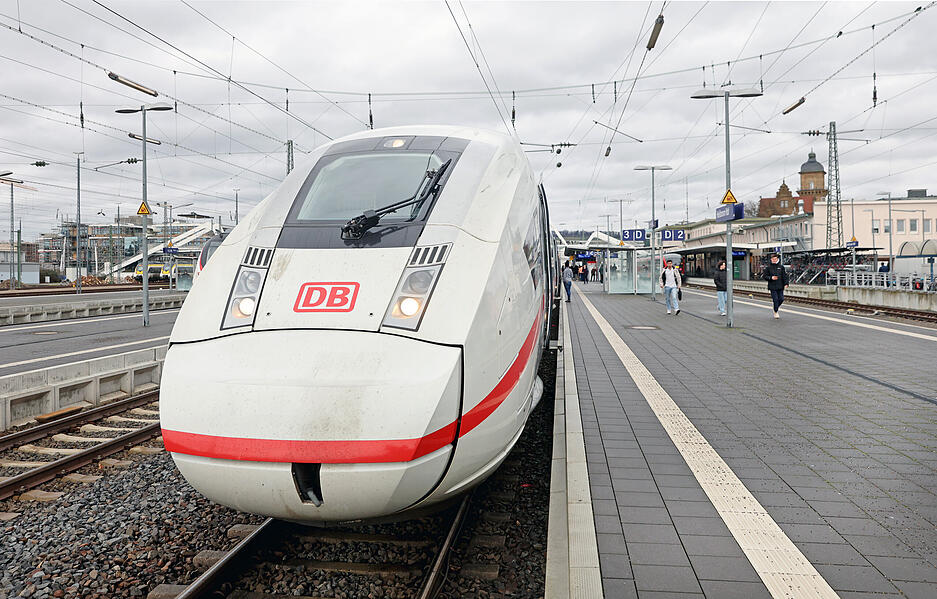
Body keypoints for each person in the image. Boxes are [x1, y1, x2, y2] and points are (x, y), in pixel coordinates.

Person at [761, 253, 789, 318]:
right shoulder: (768, 268)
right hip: (772, 286)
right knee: (775, 299)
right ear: (771, 259)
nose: (774, 260)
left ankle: (775, 307)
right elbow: (764, 276)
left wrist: (786, 283)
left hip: (780, 286)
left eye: (775, 259)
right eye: (773, 259)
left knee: (781, 299)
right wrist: (771, 278)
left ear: (777, 259)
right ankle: (776, 311)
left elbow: (785, 276)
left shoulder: (781, 267)